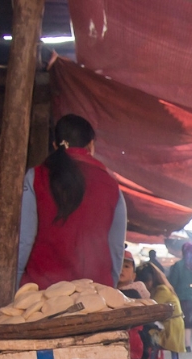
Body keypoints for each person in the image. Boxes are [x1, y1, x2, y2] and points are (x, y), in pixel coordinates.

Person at [17, 114, 127, 289]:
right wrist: (109, 287)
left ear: (55, 145)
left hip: (42, 291)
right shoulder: (111, 185)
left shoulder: (35, 177)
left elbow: (25, 238)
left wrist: (17, 283)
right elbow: (116, 247)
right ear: (90, 145)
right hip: (94, 290)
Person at [137, 262, 186, 355]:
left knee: (143, 333)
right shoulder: (160, 289)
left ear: (153, 279)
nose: (145, 285)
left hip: (170, 331)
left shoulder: (162, 290)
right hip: (170, 327)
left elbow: (150, 309)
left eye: (147, 282)